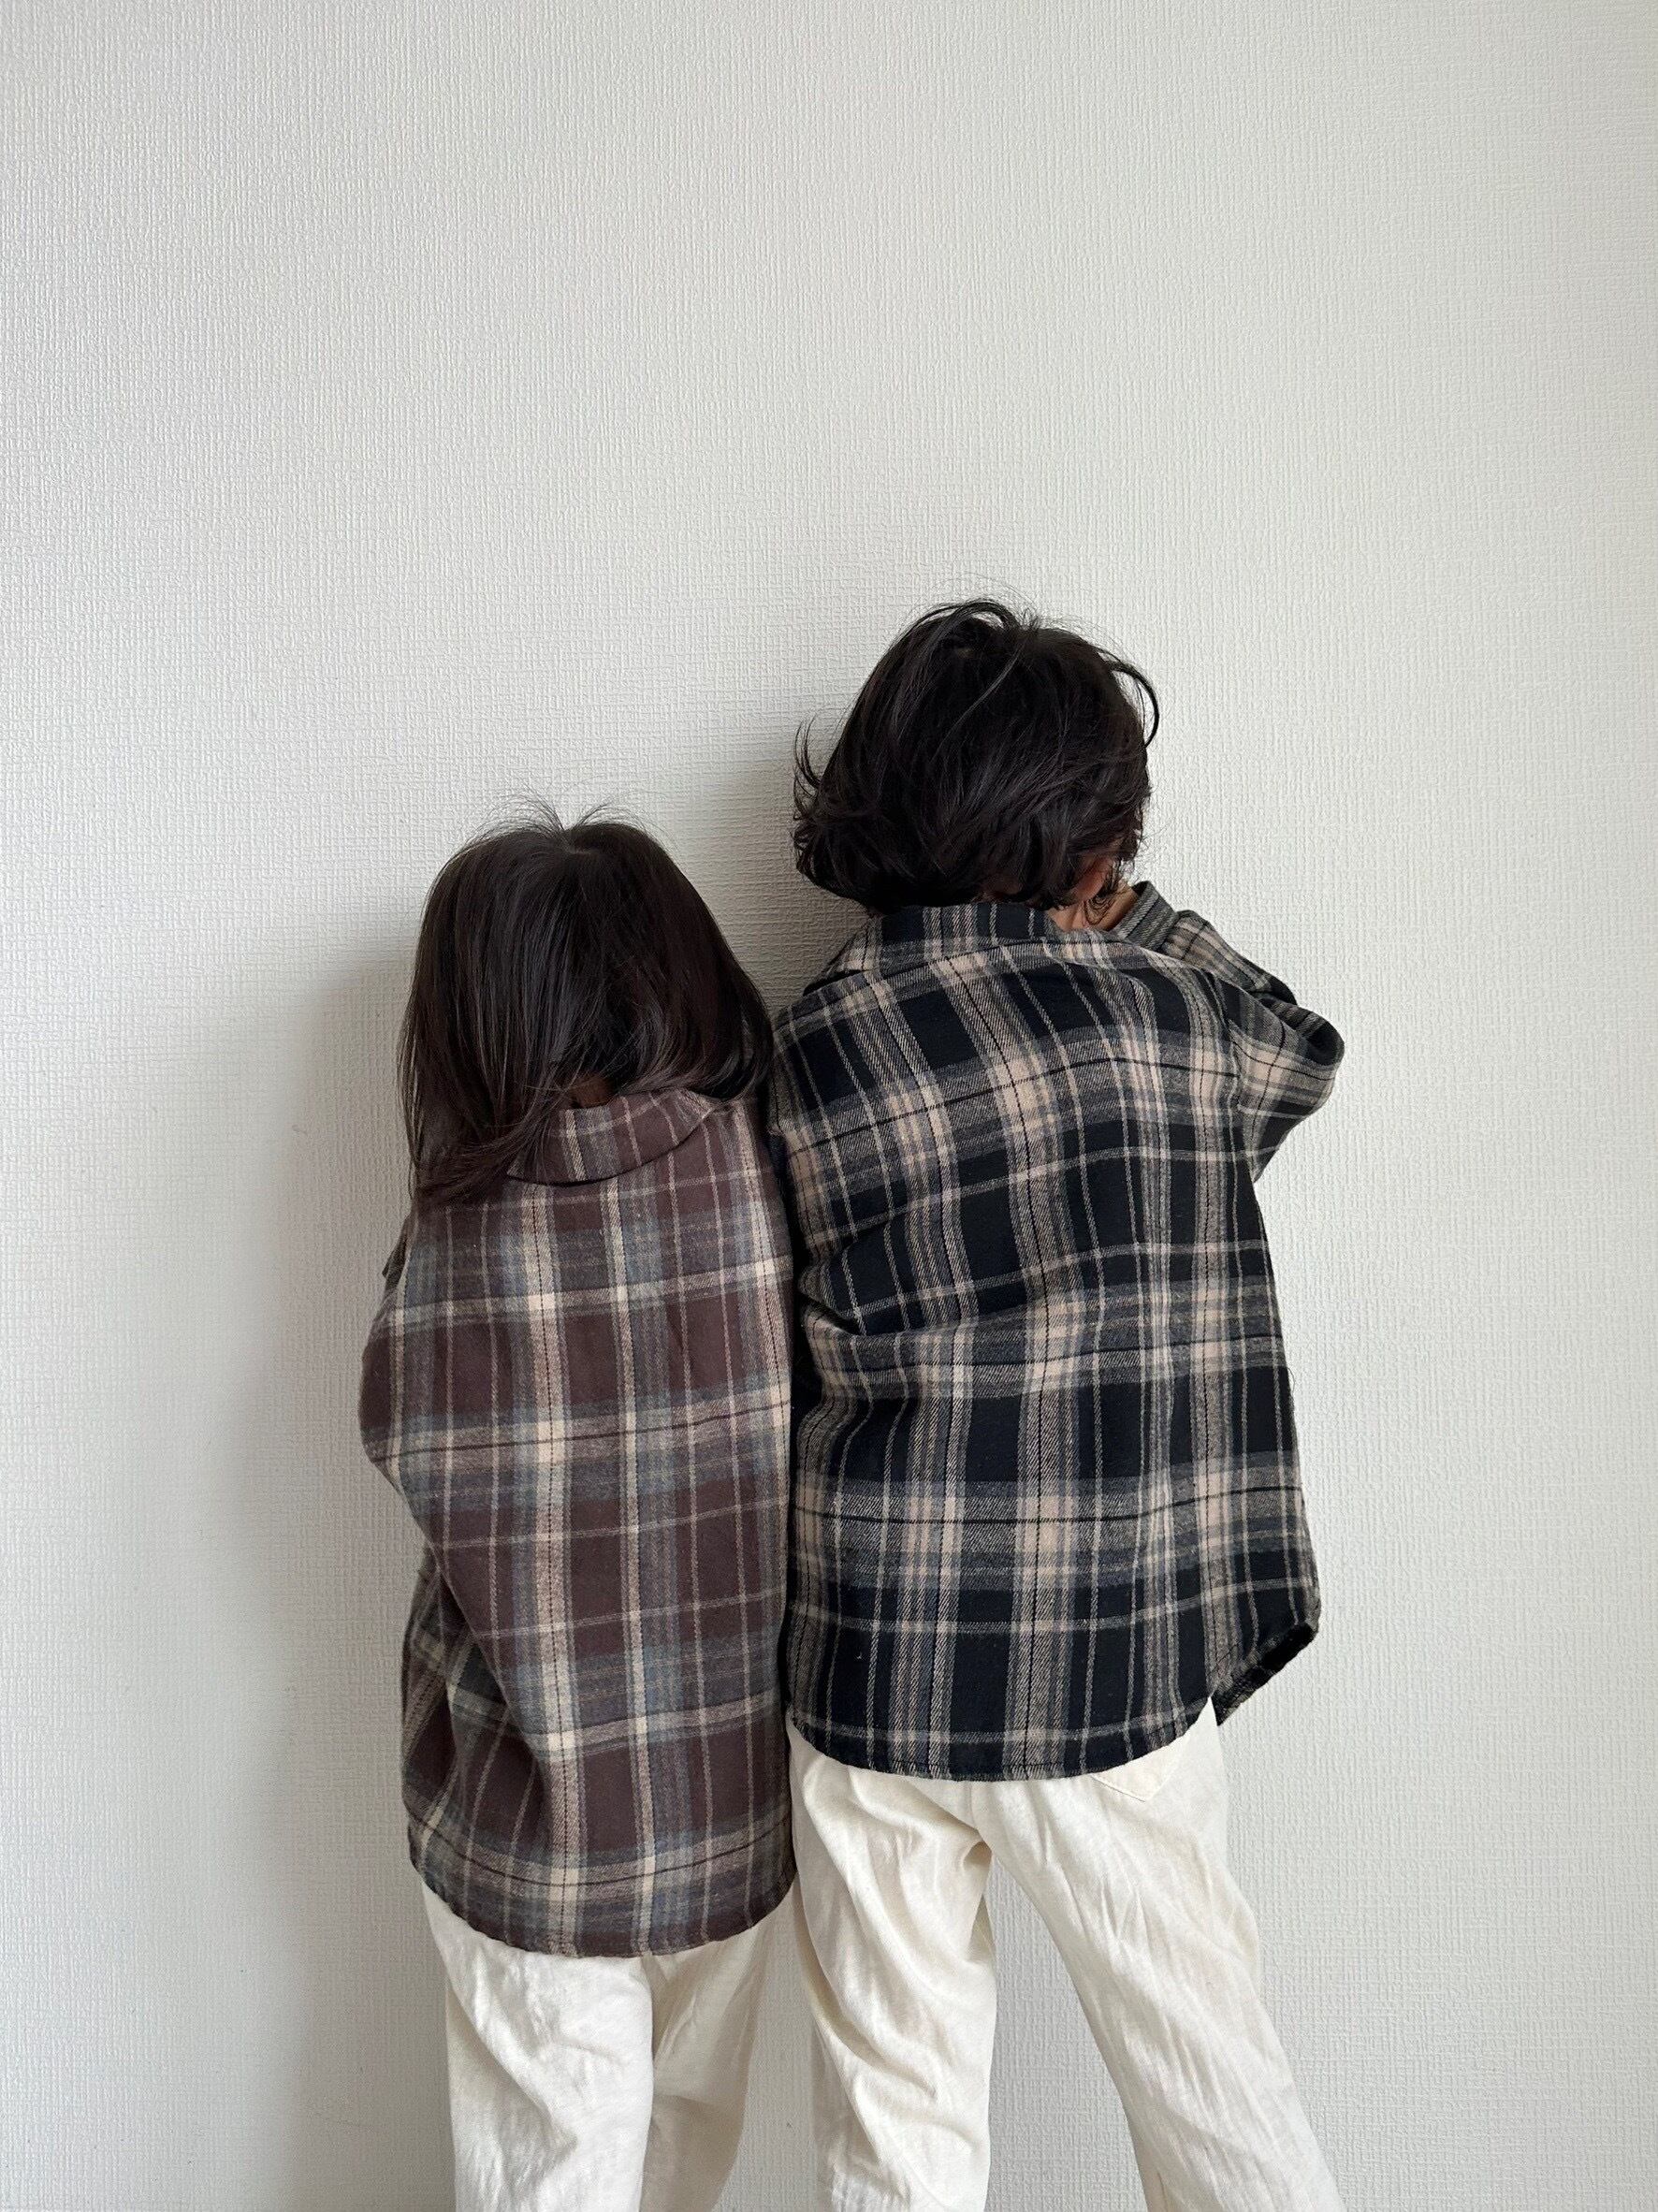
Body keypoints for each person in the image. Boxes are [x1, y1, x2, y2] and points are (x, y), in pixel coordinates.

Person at [768, 603, 1347, 2211]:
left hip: (874, 1654)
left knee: (895, 2133)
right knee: (1214, 2090)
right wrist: (1135, 916)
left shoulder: (808, 1045)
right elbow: (1304, 1055)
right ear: (1093, 836)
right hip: (1105, 1658)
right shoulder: (1171, 1023)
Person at [359, 815, 794, 2212]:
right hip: (731, 1813)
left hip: (524, 1820)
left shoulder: (454, 1230)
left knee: (553, 2173)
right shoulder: (765, 1178)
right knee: (685, 2157)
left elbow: (399, 1434)